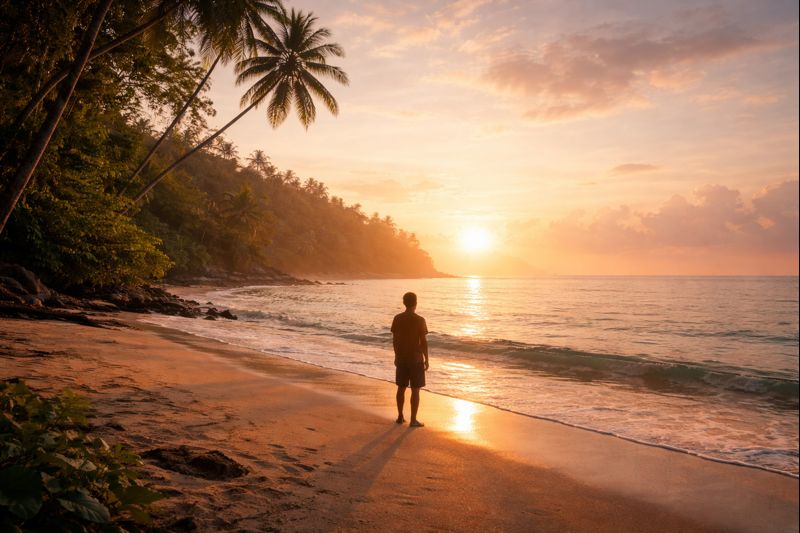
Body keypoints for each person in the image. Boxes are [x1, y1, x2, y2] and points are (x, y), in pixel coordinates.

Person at [391, 291, 429, 427]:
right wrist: (427, 359)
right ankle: (413, 420)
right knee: (415, 389)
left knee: (401, 388)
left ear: (404, 303)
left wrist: (396, 356)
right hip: (415, 359)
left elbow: (395, 341)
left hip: (401, 358)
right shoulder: (420, 320)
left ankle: (400, 416)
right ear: (416, 303)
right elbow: (423, 341)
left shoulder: (397, 318)